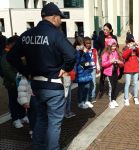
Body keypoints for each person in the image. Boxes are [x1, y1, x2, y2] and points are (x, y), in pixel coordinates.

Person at [6, 2, 76, 150]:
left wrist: (25, 70)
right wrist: (66, 68)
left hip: (35, 86)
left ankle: (38, 147)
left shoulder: (27, 35)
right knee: (54, 123)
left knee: (40, 120)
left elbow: (11, 56)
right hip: (53, 85)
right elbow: (71, 55)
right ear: (54, 17)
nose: (61, 21)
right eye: (60, 18)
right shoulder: (56, 34)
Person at [1, 36, 29, 129]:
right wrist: (18, 80)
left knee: (21, 99)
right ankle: (15, 119)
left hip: (20, 81)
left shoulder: (15, 53)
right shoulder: (5, 55)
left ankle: (22, 116)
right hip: (12, 83)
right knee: (13, 101)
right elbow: (7, 71)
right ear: (11, 44)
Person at [96, 23, 118, 99]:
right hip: (103, 59)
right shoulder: (100, 37)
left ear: (110, 30)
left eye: (106, 30)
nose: (104, 31)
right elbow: (97, 48)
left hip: (112, 58)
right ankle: (101, 90)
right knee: (102, 76)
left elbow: (116, 47)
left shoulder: (114, 37)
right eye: (104, 29)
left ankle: (112, 92)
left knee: (112, 74)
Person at [122, 34, 139, 106]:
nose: (131, 43)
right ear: (127, 42)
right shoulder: (125, 48)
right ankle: (126, 98)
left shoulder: (135, 48)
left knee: (135, 83)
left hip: (135, 68)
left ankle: (136, 97)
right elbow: (124, 56)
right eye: (129, 42)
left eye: (132, 42)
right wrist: (130, 48)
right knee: (127, 83)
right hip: (128, 68)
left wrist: (137, 48)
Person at [101, 39, 123, 109]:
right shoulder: (106, 53)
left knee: (115, 86)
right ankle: (110, 102)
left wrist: (119, 62)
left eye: (115, 46)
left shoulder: (116, 52)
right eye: (112, 46)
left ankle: (113, 100)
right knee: (111, 86)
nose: (114, 48)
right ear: (109, 46)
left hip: (116, 71)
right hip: (109, 72)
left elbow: (122, 63)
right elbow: (103, 64)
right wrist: (111, 61)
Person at [75, 37, 94, 109]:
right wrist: (78, 52)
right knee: (81, 88)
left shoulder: (85, 51)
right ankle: (80, 102)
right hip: (80, 72)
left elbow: (89, 60)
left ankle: (84, 101)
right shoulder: (77, 52)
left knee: (87, 87)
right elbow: (77, 61)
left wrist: (86, 53)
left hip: (86, 72)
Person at [83, 36, 100, 104]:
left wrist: (98, 68)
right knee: (86, 84)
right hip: (86, 69)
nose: (88, 45)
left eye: (89, 43)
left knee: (93, 83)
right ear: (84, 43)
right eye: (87, 43)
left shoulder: (94, 50)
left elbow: (96, 60)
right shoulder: (83, 50)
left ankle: (92, 96)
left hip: (93, 69)